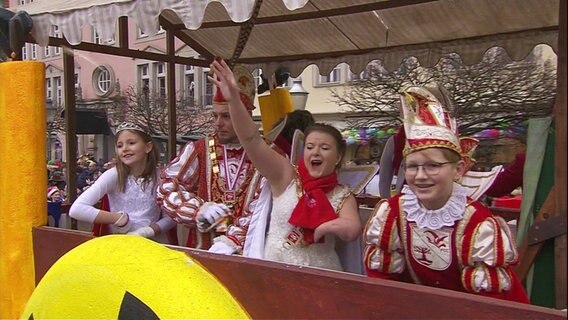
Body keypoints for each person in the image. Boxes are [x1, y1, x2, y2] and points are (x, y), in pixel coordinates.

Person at [363, 85, 529, 303]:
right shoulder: (393, 213)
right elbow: (382, 281)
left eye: (432, 166)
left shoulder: (479, 224)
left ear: (458, 169)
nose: (421, 175)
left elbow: (491, 302)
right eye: (413, 167)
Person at [209, 59, 361, 271]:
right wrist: (233, 98)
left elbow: (352, 228)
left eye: (324, 148)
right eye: (310, 147)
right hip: (277, 274)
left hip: (321, 277)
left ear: (337, 157)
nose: (315, 152)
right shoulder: (286, 176)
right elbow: (252, 139)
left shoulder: (342, 194)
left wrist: (325, 226)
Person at [156, 62, 264, 249]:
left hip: (250, 255)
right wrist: (198, 210)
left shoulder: (267, 154)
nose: (218, 123)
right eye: (214, 116)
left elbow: (267, 208)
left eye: (226, 116)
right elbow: (166, 187)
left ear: (244, 115)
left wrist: (234, 239)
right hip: (202, 252)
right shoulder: (200, 149)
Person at [69, 121, 175, 242]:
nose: (124, 149)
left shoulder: (161, 177)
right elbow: (77, 209)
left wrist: (147, 231)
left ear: (148, 147)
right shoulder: (113, 175)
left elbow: (171, 217)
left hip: (152, 242)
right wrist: (119, 219)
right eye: (119, 146)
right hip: (121, 243)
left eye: (131, 143)